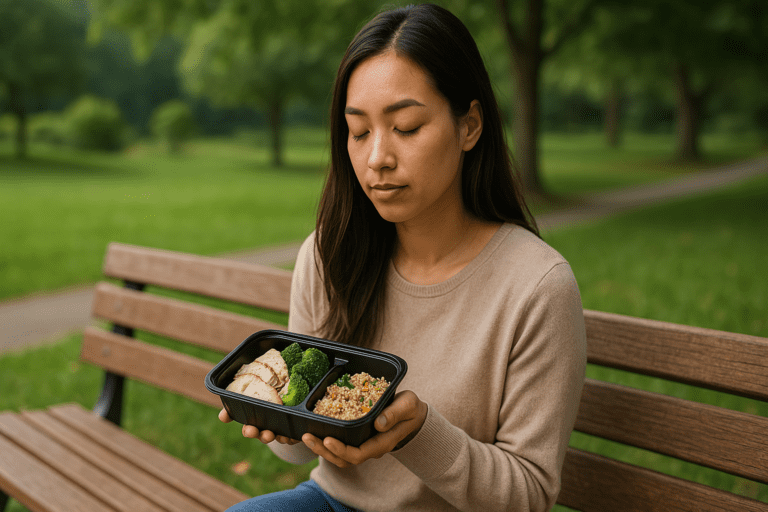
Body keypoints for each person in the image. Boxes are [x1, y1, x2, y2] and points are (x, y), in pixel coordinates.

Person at [219, 3, 586, 511]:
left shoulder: (536, 286)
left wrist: (419, 434)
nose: (377, 159)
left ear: (470, 127)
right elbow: (298, 461)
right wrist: (282, 417)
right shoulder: (329, 254)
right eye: (359, 131)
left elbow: (529, 495)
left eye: (407, 127)